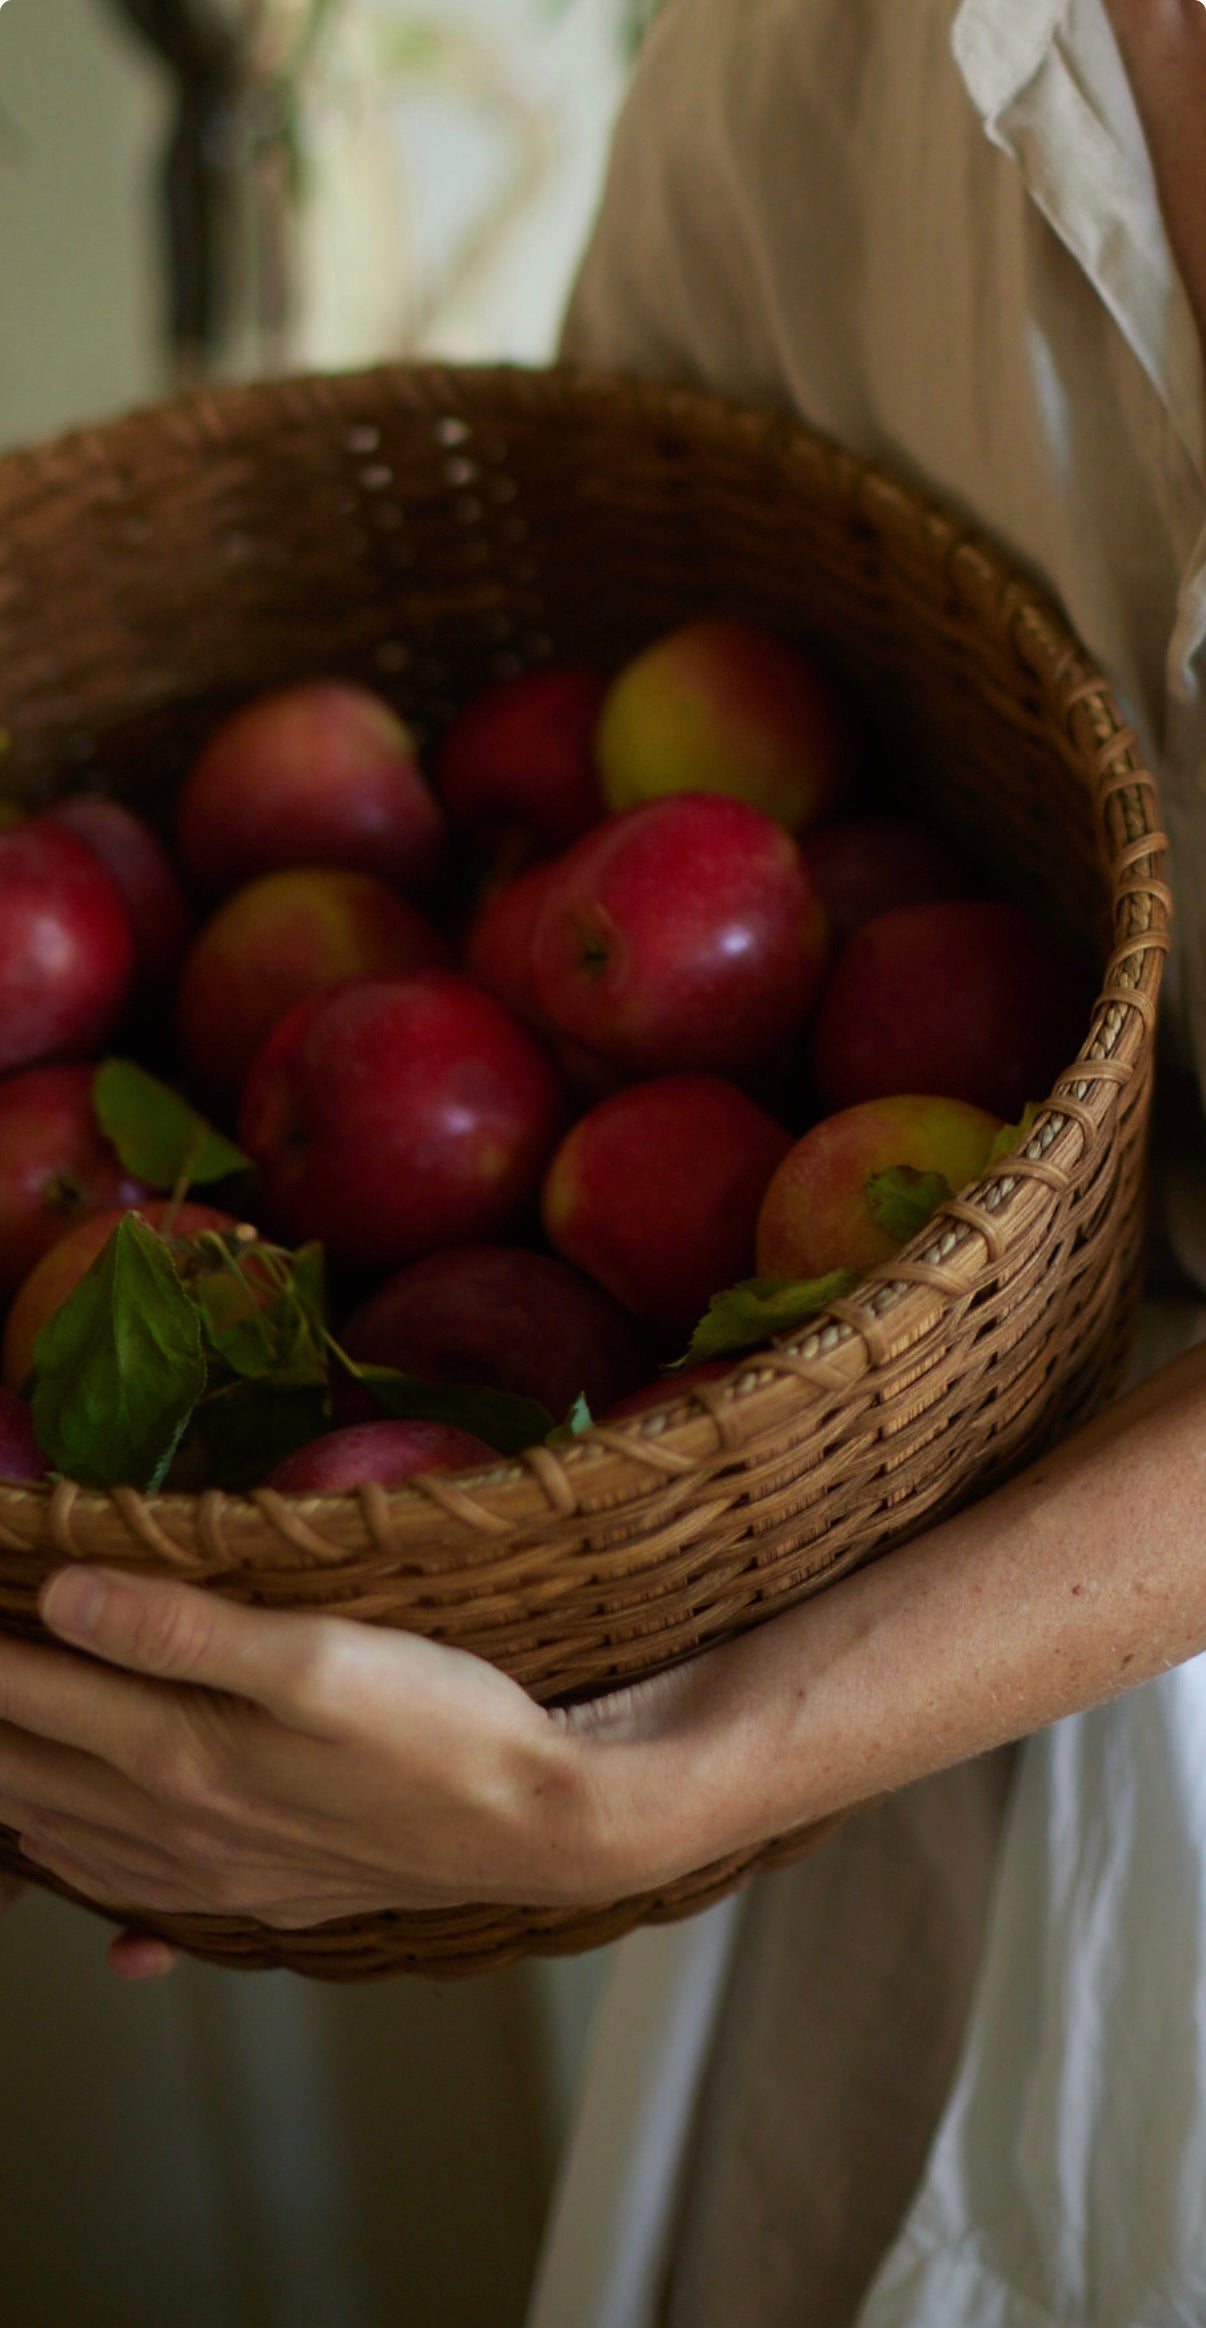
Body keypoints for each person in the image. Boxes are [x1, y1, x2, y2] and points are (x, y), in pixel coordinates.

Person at [3, 0, 1206, 2316]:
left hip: (832, 1717)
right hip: (894, 1725)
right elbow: (655, 746)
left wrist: (678, 1773)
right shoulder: (801, 71)